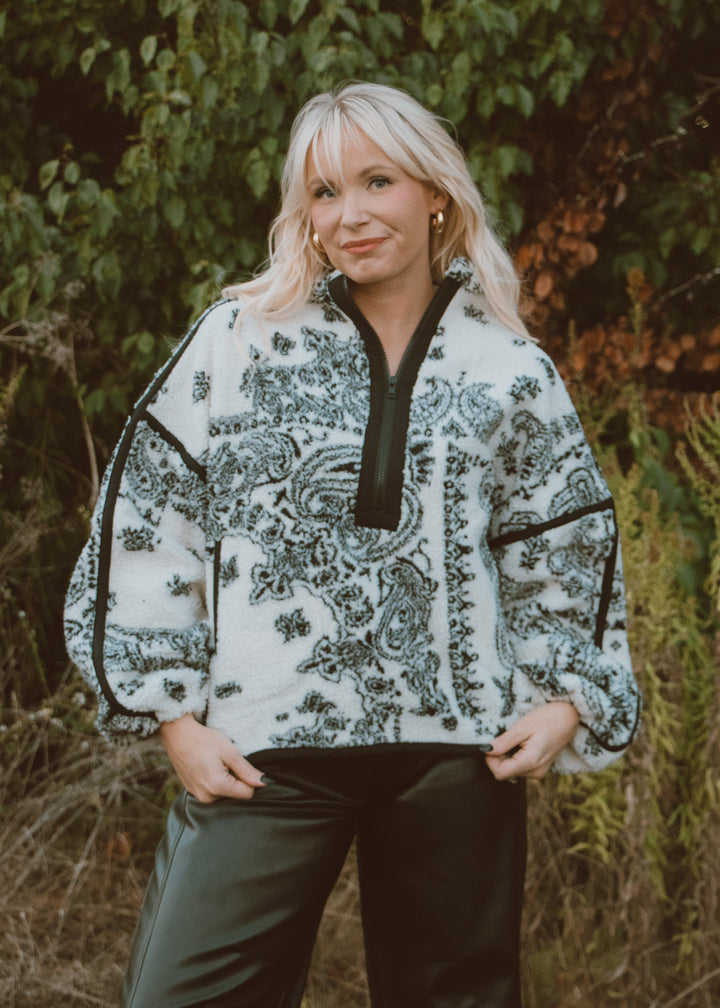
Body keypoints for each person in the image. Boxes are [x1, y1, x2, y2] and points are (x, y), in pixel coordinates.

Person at [64, 81, 641, 1008]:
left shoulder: (510, 367)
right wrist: (172, 715)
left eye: (377, 181)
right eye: (325, 192)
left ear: (435, 192)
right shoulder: (238, 338)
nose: (351, 214)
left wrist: (569, 699)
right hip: (265, 752)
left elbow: (564, 542)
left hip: (459, 752)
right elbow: (148, 515)